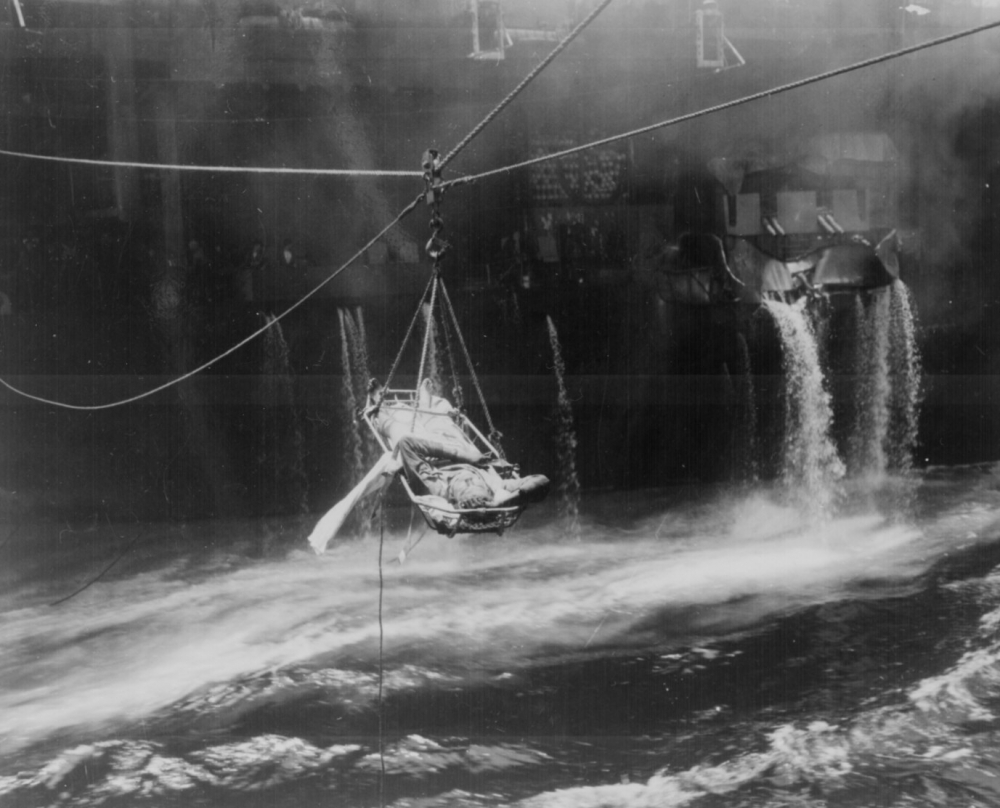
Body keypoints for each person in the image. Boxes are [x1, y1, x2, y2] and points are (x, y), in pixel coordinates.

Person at [307, 381, 549, 554]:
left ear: (458, 499)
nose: (474, 486)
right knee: (439, 417)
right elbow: (541, 481)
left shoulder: (437, 487)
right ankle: (425, 399)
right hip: (456, 442)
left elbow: (406, 444)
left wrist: (466, 459)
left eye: (470, 492)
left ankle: (382, 405)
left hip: (433, 451)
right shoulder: (497, 487)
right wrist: (505, 499)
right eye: (479, 491)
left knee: (396, 428)